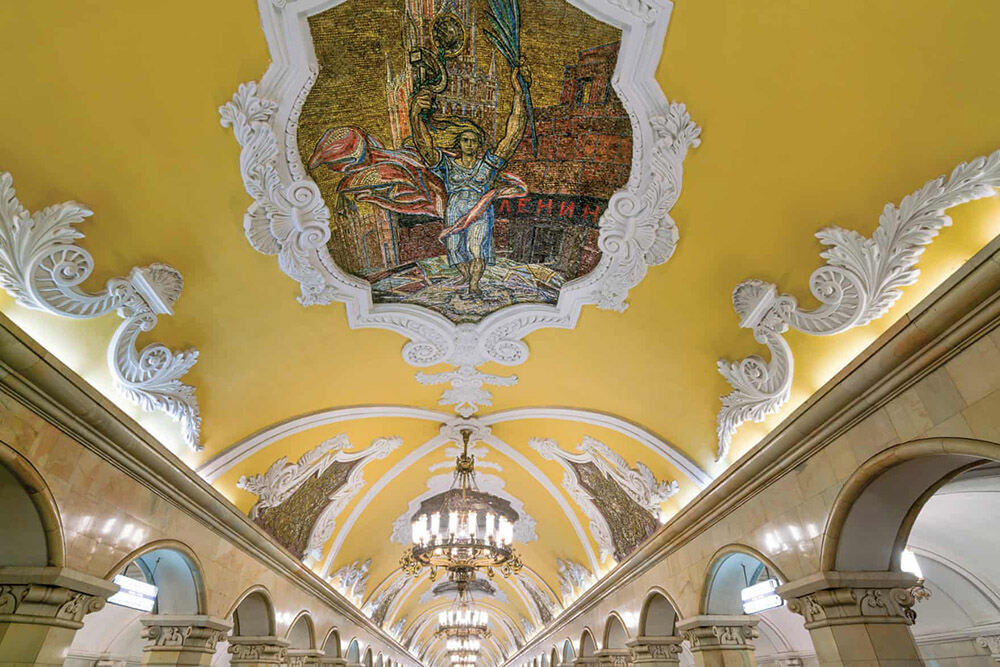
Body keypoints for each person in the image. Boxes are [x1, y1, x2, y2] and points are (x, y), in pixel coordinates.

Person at [409, 59, 532, 297]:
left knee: (477, 248)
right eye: (465, 140)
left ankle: (474, 285)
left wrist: (519, 93)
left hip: (479, 210)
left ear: (479, 144)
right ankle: (467, 278)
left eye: (474, 140)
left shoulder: (488, 165)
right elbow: (424, 146)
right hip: (454, 211)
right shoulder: (447, 165)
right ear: (459, 143)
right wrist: (415, 115)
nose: (469, 144)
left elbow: (513, 135)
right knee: (455, 251)